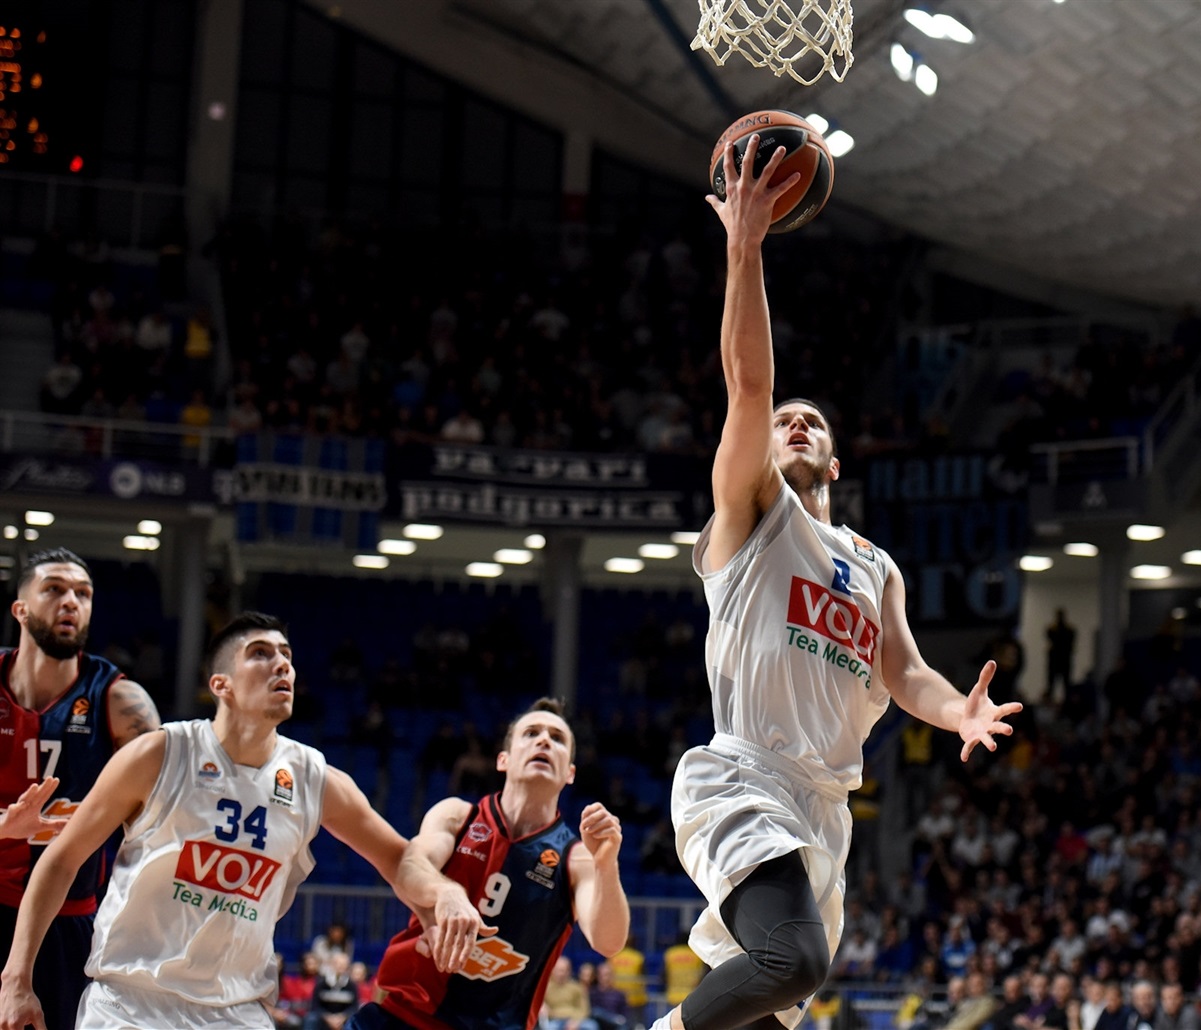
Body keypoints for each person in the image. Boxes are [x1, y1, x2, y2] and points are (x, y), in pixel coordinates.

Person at [653, 135, 1024, 1030]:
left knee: (773, 1007)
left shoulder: (875, 563)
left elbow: (904, 673)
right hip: (743, 777)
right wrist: (745, 250)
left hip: (825, 809)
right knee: (794, 959)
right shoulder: (750, 511)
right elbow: (748, 386)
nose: (796, 422)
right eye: (786, 420)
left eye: (812, 420)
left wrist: (958, 713)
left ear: (837, 455)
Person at [0, 611, 442, 1030]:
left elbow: (400, 858)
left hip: (236, 1010)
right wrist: (16, 978)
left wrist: (447, 898)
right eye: (261, 654)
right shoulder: (157, 754)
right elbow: (60, 860)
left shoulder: (317, 779)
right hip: (131, 1002)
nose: (282, 665)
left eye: (287, 656)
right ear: (221, 684)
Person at [350, 698, 629, 1030]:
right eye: (531, 733)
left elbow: (608, 941)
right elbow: (409, 867)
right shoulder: (457, 816)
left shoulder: (576, 858)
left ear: (570, 773)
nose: (544, 740)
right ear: (503, 760)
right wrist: (445, 892)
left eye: (557, 738)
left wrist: (606, 862)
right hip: (402, 1017)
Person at [0, 547, 163, 1030]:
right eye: (54, 589)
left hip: (66, 920)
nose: (71, 601)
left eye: (83, 594)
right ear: (21, 608)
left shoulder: (120, 701)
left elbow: (162, 822)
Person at [1045, 608, 1076, 704]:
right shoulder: (1052, 629)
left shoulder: (1069, 630)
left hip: (1063, 661)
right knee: (1052, 685)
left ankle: (1065, 704)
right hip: (1055, 661)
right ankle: (1050, 702)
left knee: (1066, 686)